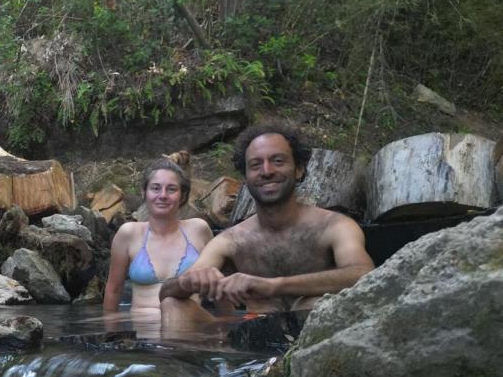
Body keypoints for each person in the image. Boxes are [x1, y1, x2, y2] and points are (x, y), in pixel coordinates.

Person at [159, 122, 373, 320]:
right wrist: (189, 281)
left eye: (278, 161)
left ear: (299, 169)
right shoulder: (231, 240)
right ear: (245, 178)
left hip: (318, 337)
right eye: (255, 165)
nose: (267, 171)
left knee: (313, 303)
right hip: (253, 338)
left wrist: (274, 286)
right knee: (173, 304)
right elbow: (166, 291)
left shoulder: (335, 226)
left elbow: (364, 273)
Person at [102, 158, 213, 320]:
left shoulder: (199, 230)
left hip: (189, 327)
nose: (163, 195)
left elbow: (219, 286)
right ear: (144, 192)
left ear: (182, 196)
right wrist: (109, 331)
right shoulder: (128, 234)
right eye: (155, 188)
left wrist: (227, 327)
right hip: (143, 328)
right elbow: (114, 290)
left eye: (171, 189)